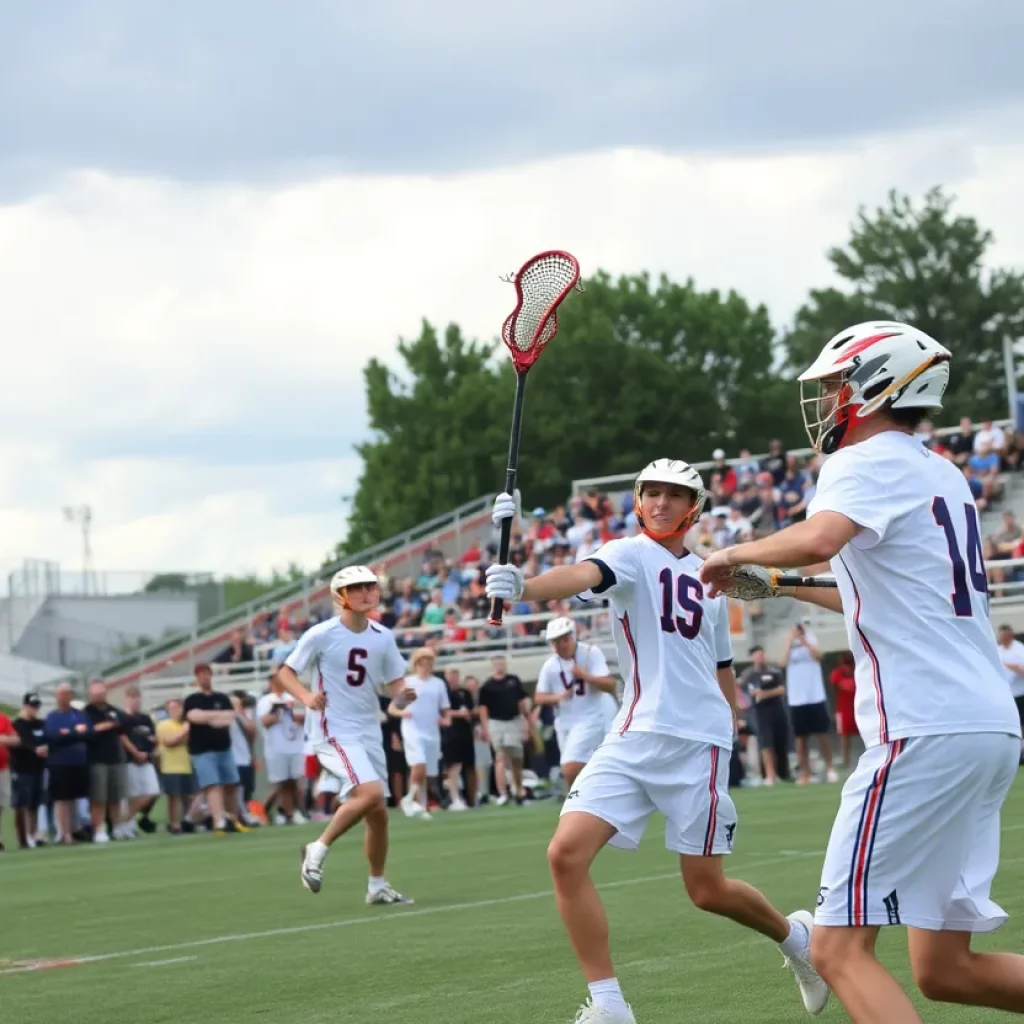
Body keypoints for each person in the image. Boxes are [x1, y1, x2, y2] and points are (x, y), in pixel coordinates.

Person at [700, 320, 1024, 1022]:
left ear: (880, 384)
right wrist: (782, 587)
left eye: (840, 383)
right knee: (947, 969)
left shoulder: (862, 459)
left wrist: (733, 552)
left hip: (924, 727)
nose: (832, 400)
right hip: (984, 727)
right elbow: (880, 588)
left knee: (837, 949)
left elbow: (819, 538)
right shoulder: (943, 472)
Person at [485, 459, 827, 1024]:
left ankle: (796, 940)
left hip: (700, 741)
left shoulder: (714, 575)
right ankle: (611, 1005)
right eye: (652, 493)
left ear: (694, 508)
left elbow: (719, 661)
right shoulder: (627, 553)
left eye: (674, 495)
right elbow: (580, 575)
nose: (661, 503)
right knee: (565, 855)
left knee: (707, 890)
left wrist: (733, 715)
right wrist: (523, 584)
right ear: (638, 501)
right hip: (634, 732)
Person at [278, 565, 415, 905]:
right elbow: (285, 672)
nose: (367, 592)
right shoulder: (321, 634)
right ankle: (318, 848)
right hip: (334, 730)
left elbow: (393, 680)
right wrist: (307, 697)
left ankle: (377, 886)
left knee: (378, 813)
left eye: (370, 586)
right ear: (340, 596)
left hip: (369, 729)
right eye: (357, 588)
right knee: (370, 793)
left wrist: (402, 693)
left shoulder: (383, 635)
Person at [533, 616, 617, 791]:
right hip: (564, 722)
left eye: (563, 639)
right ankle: (591, 798)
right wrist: (558, 697)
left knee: (569, 767)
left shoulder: (590, 653)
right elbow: (539, 697)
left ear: (571, 637)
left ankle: (581, 802)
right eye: (555, 641)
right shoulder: (550, 665)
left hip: (591, 716)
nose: (560, 645)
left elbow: (610, 685)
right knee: (577, 770)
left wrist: (585, 675)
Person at [389, 647, 450, 819]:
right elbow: (393, 709)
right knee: (419, 765)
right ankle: (409, 800)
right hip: (412, 730)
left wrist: (446, 720)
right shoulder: (410, 683)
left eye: (429, 662)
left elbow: (445, 710)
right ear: (416, 664)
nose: (426, 665)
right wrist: (403, 713)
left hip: (432, 731)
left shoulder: (438, 684)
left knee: (429, 773)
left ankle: (420, 805)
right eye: (422, 662)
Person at [780, 622, 837, 785]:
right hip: (797, 698)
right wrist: (790, 641)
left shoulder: (811, 638)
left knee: (822, 734)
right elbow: (782, 663)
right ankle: (804, 773)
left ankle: (829, 768)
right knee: (801, 738)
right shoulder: (789, 644)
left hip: (815, 695)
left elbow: (819, 656)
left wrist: (805, 641)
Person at [738, 646, 790, 785]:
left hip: (777, 709)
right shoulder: (749, 675)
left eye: (762, 654)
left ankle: (783, 773)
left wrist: (764, 694)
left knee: (779, 741)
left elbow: (781, 689)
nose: (760, 657)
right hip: (760, 712)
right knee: (766, 743)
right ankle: (769, 774)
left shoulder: (773, 671)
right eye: (757, 655)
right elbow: (748, 692)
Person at [828, 652, 859, 767]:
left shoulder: (859, 671)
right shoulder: (839, 673)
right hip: (843, 709)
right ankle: (845, 760)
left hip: (858, 708)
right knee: (844, 736)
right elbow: (834, 681)